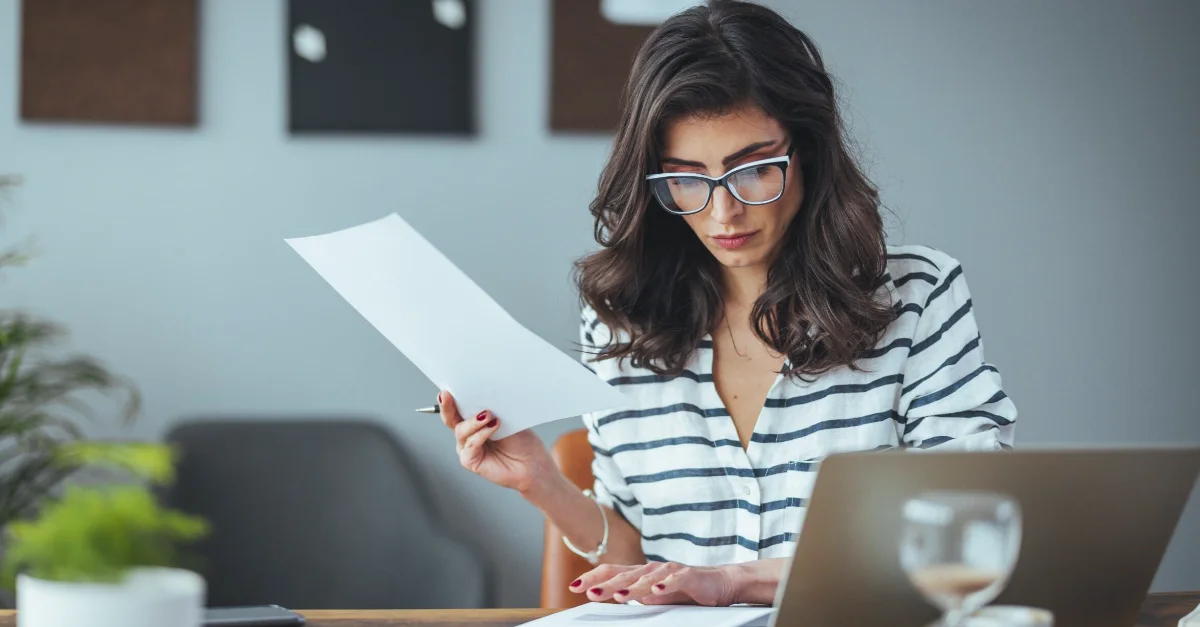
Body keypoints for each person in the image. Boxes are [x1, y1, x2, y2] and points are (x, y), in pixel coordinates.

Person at [437, 0, 1016, 607]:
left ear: (808, 151)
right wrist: (542, 483)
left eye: (754, 169)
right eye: (685, 178)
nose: (723, 213)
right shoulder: (619, 321)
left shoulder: (916, 294)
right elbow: (637, 563)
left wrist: (736, 580)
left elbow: (967, 538)